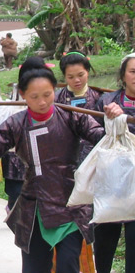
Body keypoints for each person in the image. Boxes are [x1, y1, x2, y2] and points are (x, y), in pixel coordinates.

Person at [0, 57, 122, 273]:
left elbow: (102, 139)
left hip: (70, 204)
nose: (43, 102)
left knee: (68, 265)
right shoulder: (16, 124)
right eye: (34, 97)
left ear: (55, 90)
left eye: (47, 95)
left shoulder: (72, 117)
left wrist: (113, 122)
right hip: (34, 208)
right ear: (23, 95)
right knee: (35, 268)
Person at [92, 53, 135, 273]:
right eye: (133, 71)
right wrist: (112, 119)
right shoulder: (107, 103)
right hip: (112, 182)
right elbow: (96, 136)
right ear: (123, 75)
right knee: (105, 241)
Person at [56, 51, 101, 163]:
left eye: (81, 75)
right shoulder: (56, 99)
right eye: (70, 77)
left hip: (95, 155)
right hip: (66, 155)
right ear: (64, 76)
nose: (76, 80)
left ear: (88, 72)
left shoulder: (100, 98)